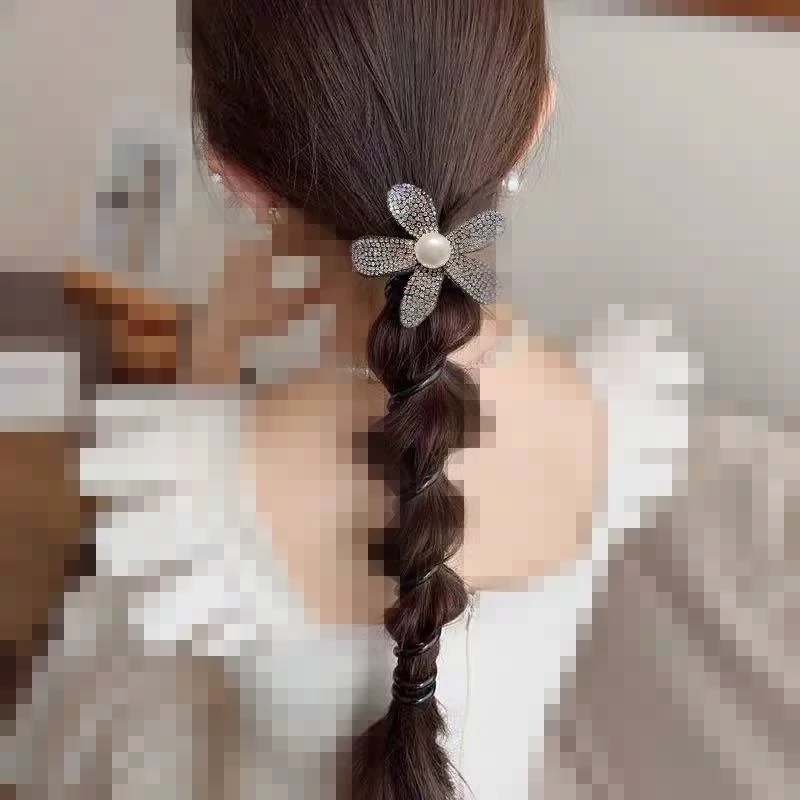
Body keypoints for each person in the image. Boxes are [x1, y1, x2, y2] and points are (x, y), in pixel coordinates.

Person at [7, 2, 797, 799]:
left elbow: (153, 658)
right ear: (533, 125)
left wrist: (206, 364)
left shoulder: (194, 483)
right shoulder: (616, 417)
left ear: (233, 175)